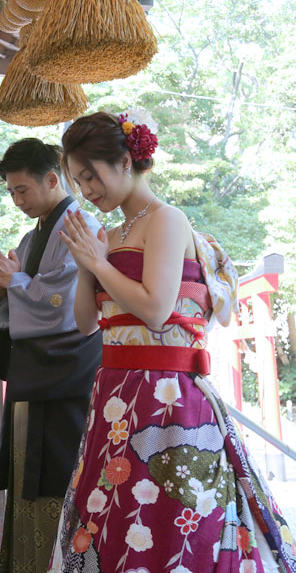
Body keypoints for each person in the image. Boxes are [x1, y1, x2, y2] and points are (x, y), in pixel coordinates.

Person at [50, 110, 296, 573]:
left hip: (166, 392)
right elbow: (85, 323)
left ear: (125, 161)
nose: (86, 191)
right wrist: (87, 263)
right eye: (79, 181)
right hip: (116, 393)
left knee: (170, 518)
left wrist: (99, 264)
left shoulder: (166, 220)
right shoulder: (110, 233)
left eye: (90, 176)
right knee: (113, 515)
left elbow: (156, 309)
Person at [0, 138, 102, 573]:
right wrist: (2, 285)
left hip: (68, 375)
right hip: (37, 374)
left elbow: (64, 306)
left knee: (61, 475)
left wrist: (13, 283)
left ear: (52, 179)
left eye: (23, 190)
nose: (17, 200)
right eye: (10, 192)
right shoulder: (34, 237)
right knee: (26, 478)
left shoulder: (80, 226)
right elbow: (23, 292)